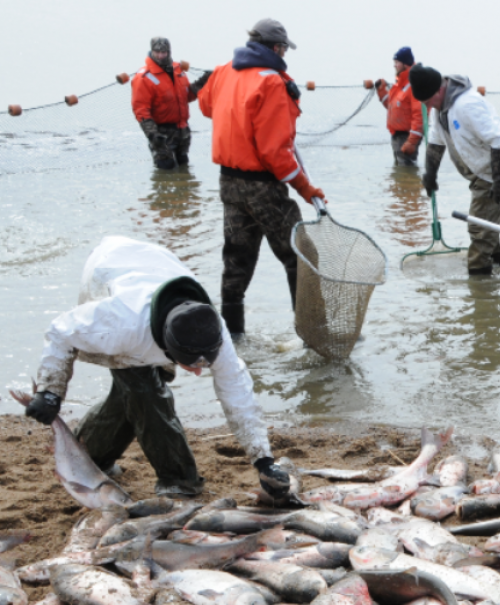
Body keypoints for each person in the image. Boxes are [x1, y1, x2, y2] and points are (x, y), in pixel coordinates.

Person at [23, 236, 288, 501]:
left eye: (204, 364)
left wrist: (263, 460)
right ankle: (178, 479)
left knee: (135, 390)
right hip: (107, 268)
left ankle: (90, 458)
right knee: (144, 388)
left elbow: (237, 393)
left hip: (157, 263)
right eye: (191, 364)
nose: (198, 372)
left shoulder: (210, 327)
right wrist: (50, 392)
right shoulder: (120, 324)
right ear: (168, 348)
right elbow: (61, 332)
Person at [197, 19, 325, 336]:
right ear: (276, 48)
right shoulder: (272, 83)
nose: (284, 54)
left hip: (228, 183)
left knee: (236, 260)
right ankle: (315, 334)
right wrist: (307, 189)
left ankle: (231, 338)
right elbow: (276, 154)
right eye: (283, 48)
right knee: (301, 256)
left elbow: (205, 105)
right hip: (263, 187)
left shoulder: (223, 70)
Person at [410, 64, 500, 276]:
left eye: (427, 102)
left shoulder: (467, 105)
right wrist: (430, 174)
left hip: (496, 174)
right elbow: (435, 141)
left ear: (439, 90)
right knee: (488, 228)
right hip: (479, 174)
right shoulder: (439, 109)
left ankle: (480, 289)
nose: (427, 107)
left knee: (479, 230)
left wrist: (498, 181)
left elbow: (499, 140)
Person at [131, 37, 211, 170]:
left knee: (184, 168)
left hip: (182, 132)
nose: (161, 55)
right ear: (152, 51)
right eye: (157, 52)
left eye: (164, 52)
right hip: (161, 133)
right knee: (165, 171)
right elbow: (141, 110)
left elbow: (186, 97)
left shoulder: (178, 70)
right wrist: (153, 135)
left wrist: (201, 83)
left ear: (169, 51)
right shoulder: (143, 78)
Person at [375, 46, 425, 167]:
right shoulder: (399, 84)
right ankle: (405, 186)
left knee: (407, 170)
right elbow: (394, 106)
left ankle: (411, 186)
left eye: (397, 62)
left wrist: (412, 141)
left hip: (407, 136)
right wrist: (381, 91)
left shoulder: (414, 84)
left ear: (405, 64)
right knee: (400, 173)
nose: (394, 65)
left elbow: (420, 115)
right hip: (397, 136)